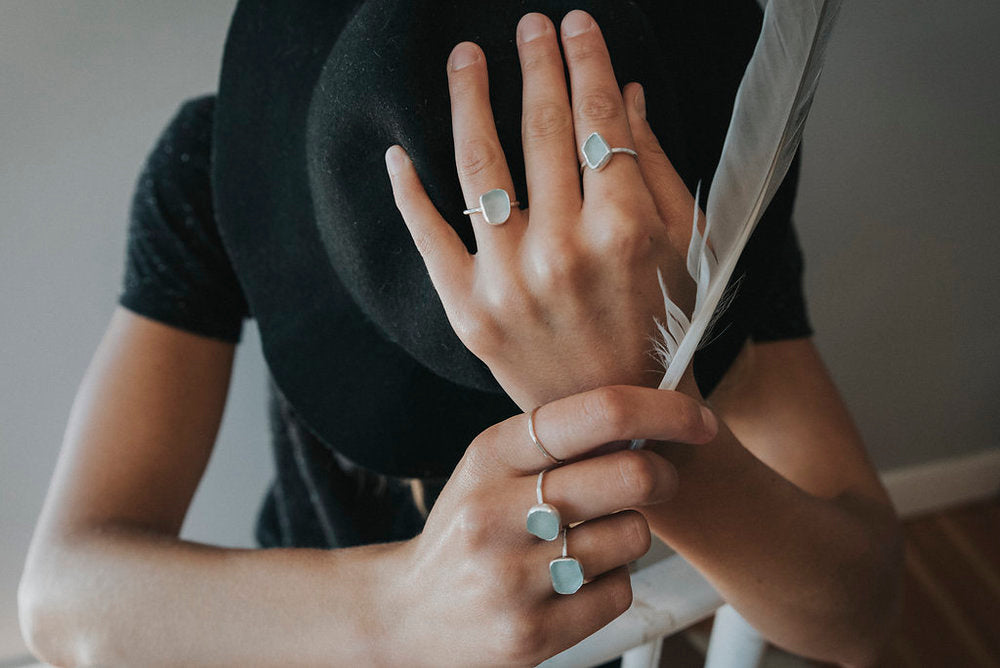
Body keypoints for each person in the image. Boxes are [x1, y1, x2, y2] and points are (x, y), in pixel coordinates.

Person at [18, 1, 903, 665]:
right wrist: (400, 610)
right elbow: (62, 598)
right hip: (304, 631)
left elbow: (857, 608)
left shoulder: (692, 201)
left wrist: (642, 407)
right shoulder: (213, 171)